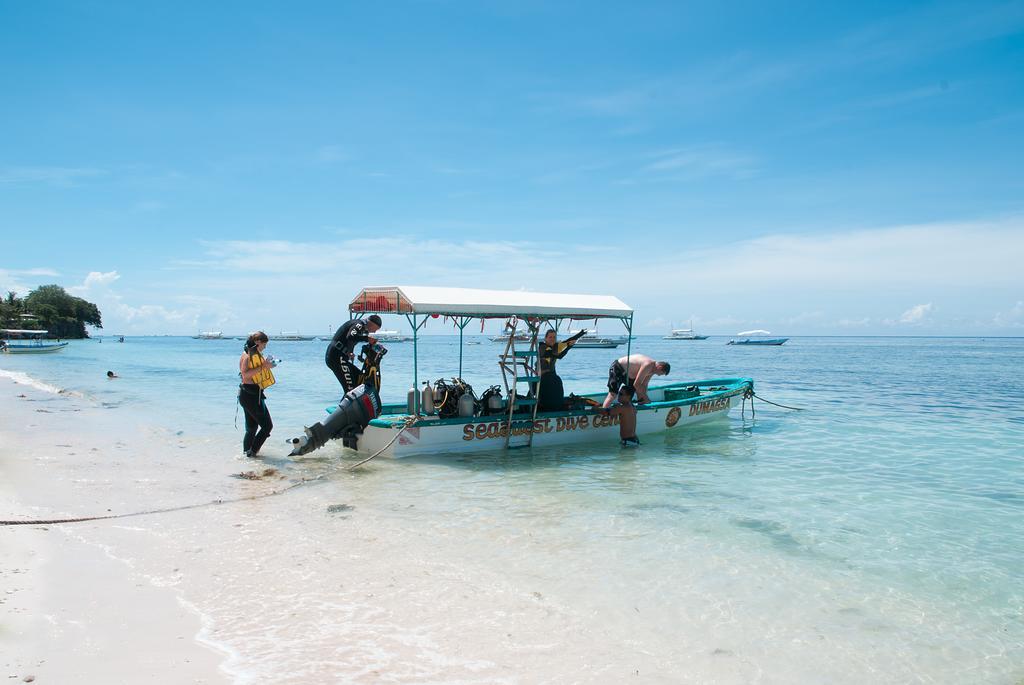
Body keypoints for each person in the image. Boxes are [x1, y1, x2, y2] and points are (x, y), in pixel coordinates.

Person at [238, 331, 275, 458]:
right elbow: (245, 375)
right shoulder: (247, 355)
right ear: (258, 342)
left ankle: (246, 454)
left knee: (252, 428)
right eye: (264, 344)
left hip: (250, 394)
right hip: (250, 395)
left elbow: (256, 369)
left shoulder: (253, 353)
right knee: (267, 426)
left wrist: (267, 365)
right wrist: (264, 367)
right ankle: (252, 453)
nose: (265, 347)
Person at [325, 315, 382, 393]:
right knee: (350, 389)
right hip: (336, 357)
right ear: (371, 323)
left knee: (359, 378)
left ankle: (357, 403)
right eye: (375, 329)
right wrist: (367, 339)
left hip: (340, 357)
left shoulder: (362, 327)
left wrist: (350, 352)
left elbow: (349, 341)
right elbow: (350, 336)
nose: (374, 332)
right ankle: (346, 404)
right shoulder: (359, 324)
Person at [537, 328, 587, 411]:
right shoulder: (542, 347)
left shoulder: (556, 346)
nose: (552, 339)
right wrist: (569, 347)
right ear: (545, 338)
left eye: (554, 337)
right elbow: (559, 356)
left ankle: (557, 405)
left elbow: (569, 340)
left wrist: (581, 333)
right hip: (542, 376)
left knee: (557, 382)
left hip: (551, 374)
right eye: (550, 337)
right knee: (556, 382)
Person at [602, 353, 670, 408]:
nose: (659, 375)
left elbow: (644, 384)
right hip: (617, 368)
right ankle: (604, 412)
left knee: (634, 391)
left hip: (628, 374)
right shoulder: (648, 365)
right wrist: (646, 398)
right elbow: (636, 384)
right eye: (661, 374)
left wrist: (644, 398)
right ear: (660, 367)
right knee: (613, 394)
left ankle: (638, 405)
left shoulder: (652, 370)